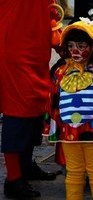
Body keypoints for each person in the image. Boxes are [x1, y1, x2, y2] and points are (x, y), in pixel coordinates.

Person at [47, 17, 93, 199]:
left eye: (81, 45)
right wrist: (50, 129)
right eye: (71, 45)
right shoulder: (59, 73)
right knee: (73, 173)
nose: (75, 50)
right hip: (68, 133)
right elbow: (54, 101)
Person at [0, 0, 59, 199]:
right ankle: (13, 179)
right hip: (15, 48)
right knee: (17, 111)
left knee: (36, 106)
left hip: (37, 47)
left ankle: (25, 166)